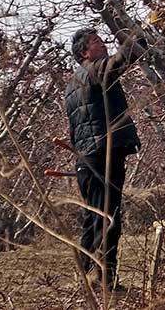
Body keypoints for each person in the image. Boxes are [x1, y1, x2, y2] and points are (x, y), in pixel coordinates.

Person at [65, 27, 143, 290]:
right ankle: (103, 279)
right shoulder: (95, 70)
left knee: (94, 219)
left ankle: (88, 276)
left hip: (87, 159)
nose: (103, 44)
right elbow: (119, 62)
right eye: (97, 42)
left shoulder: (73, 83)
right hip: (102, 154)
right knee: (108, 219)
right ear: (85, 52)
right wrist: (143, 32)